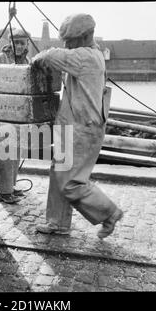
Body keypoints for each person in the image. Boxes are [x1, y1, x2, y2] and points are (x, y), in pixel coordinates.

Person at [32, 14, 123, 239]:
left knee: (71, 183)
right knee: (59, 171)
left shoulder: (84, 57)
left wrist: (36, 61)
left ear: (85, 37)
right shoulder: (92, 54)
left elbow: (51, 56)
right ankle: (58, 222)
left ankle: (109, 212)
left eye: (70, 40)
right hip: (76, 126)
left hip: (82, 129)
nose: (66, 45)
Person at [0, 28, 31, 204]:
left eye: (23, 42)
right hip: (2, 111)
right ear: (10, 43)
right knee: (5, 152)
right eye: (16, 42)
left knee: (16, 151)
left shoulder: (27, 61)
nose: (19, 46)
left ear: (27, 44)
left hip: (19, 113)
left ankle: (11, 186)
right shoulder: (0, 59)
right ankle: (3, 191)